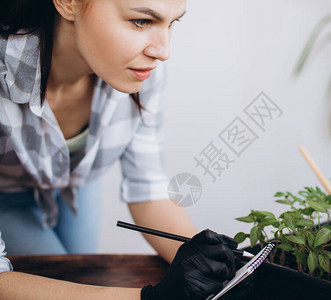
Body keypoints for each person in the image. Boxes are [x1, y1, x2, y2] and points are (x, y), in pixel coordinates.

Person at [0, 0, 250, 298]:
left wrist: (206, 259)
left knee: (82, 276)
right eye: (141, 22)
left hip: (77, 185)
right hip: (6, 197)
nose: (163, 51)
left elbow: (148, 189)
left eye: (172, 23)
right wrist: (149, 297)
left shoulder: (140, 70)